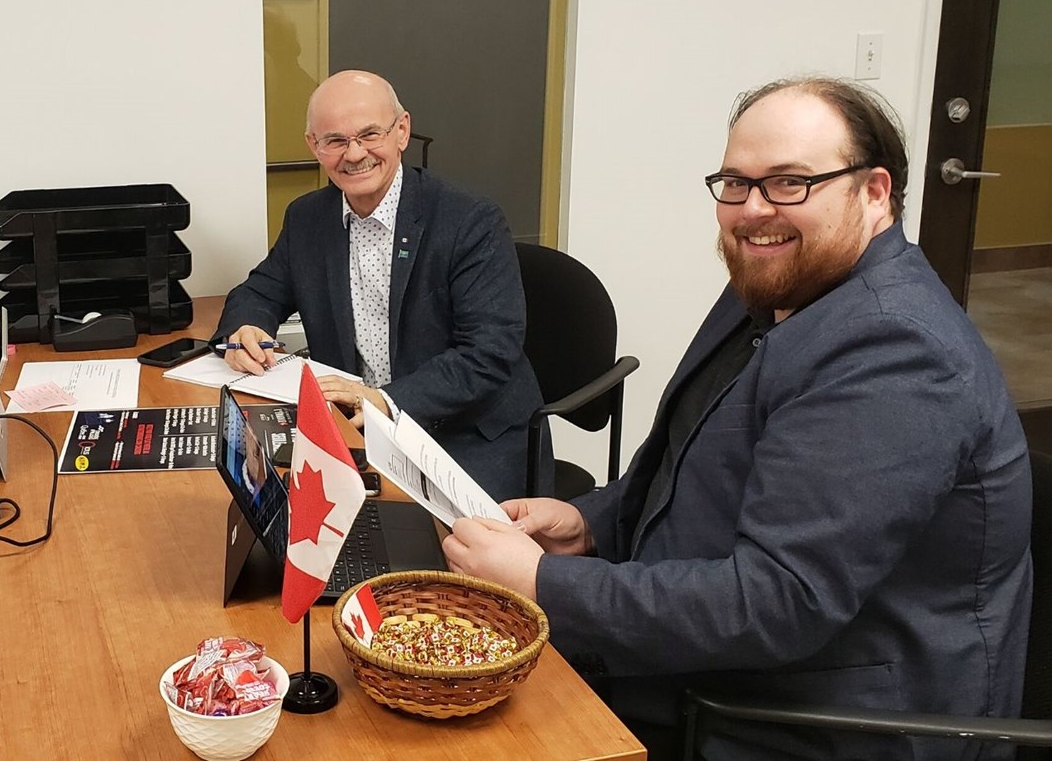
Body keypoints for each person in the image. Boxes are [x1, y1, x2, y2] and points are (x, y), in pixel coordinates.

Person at [442, 77, 1032, 760]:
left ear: (875, 193)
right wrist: (592, 523)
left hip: (809, 722)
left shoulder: (895, 348)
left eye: (789, 183)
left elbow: (780, 602)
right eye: (735, 183)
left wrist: (543, 584)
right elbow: (694, 467)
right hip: (707, 668)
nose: (752, 210)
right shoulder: (777, 282)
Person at [216, 70, 547, 500]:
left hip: (465, 433)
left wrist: (384, 400)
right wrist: (245, 329)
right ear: (314, 146)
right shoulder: (307, 218)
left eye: (370, 134)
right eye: (335, 140)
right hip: (359, 428)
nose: (354, 154)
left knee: (424, 539)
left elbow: (489, 352)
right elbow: (260, 291)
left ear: (402, 131)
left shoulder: (469, 220)